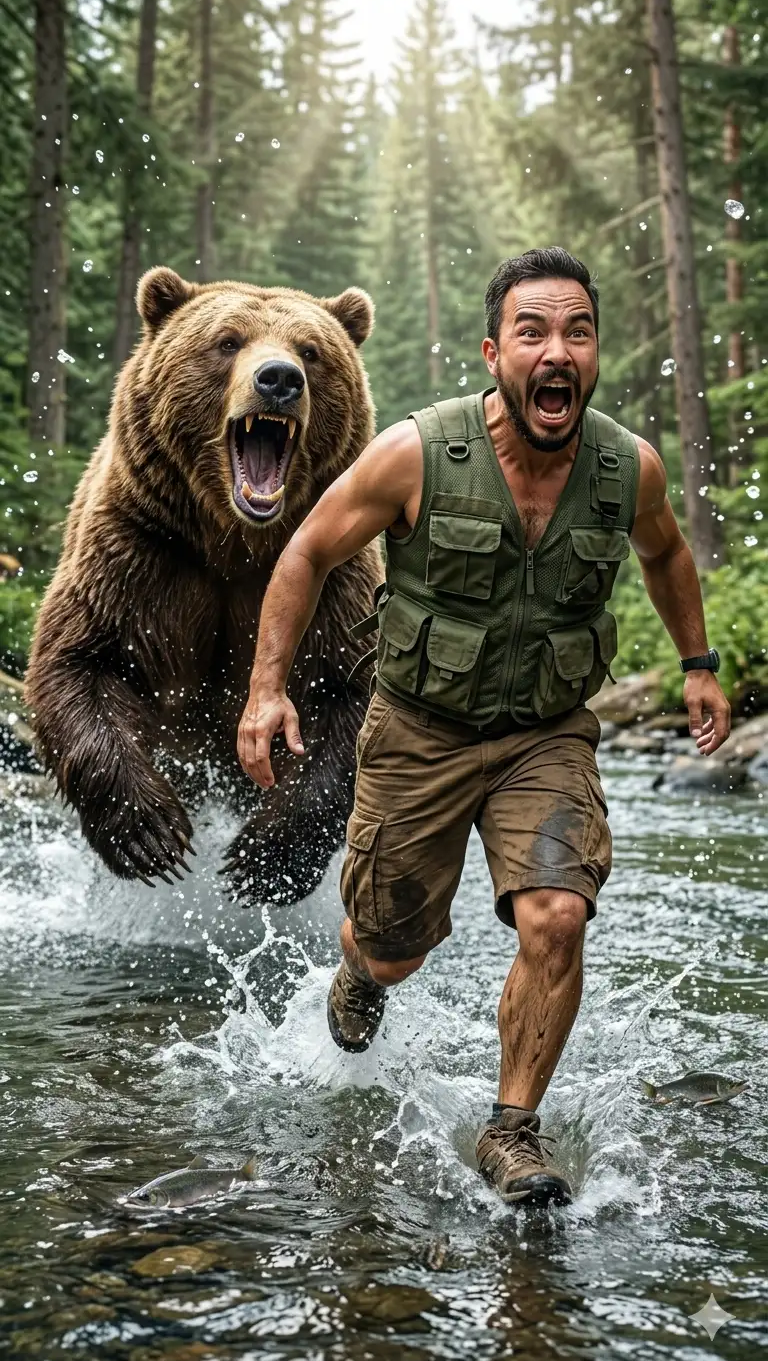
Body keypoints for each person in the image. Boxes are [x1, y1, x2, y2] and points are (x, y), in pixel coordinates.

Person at [237, 247, 731, 1207]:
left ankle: (512, 1134)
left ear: (595, 354)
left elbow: (667, 553)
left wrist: (699, 666)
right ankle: (363, 973)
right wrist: (268, 689)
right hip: (419, 730)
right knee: (395, 948)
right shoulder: (418, 454)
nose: (558, 351)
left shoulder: (627, 468)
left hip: (546, 734)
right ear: (493, 353)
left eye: (577, 333)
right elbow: (304, 552)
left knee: (557, 914)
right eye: (534, 332)